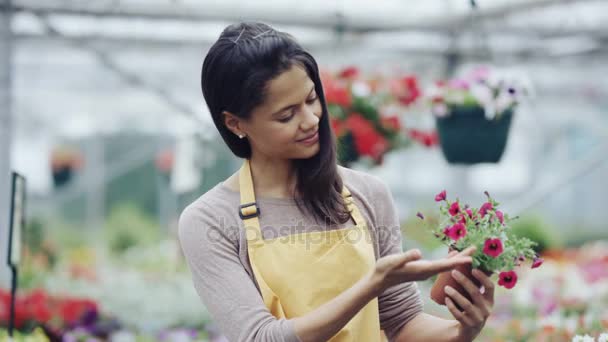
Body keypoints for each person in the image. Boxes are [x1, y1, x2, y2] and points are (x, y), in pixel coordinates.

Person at [178, 22, 495, 342]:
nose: (311, 119)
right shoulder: (210, 220)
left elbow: (403, 324)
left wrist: (462, 330)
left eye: (312, 99)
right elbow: (260, 337)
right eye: (286, 115)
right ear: (235, 123)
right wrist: (371, 285)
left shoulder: (367, 194)